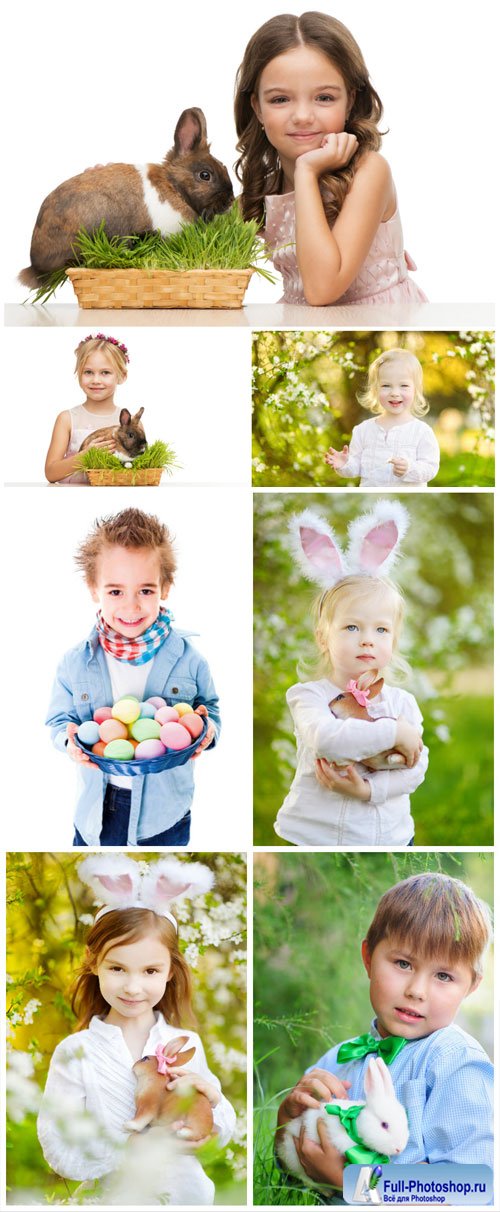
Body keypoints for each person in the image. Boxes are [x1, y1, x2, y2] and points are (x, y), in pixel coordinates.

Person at [275, 872, 493, 1195]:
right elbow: (290, 1180)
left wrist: (349, 1182)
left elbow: (472, 1186)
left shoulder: (455, 1062)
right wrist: (286, 1122)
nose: (417, 991)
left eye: (444, 976)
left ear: (471, 986)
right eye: (403, 964)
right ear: (368, 958)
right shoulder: (337, 1061)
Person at [37, 855, 236, 1205]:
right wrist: (127, 1148)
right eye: (117, 968)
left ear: (170, 971)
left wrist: (211, 1099)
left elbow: (218, 1134)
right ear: (95, 963)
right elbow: (58, 1142)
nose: (132, 987)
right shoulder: (76, 1050)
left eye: (150, 971)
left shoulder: (184, 1043)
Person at [45, 507, 219, 846]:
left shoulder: (188, 658)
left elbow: (209, 708)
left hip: (165, 812)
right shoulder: (76, 662)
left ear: (165, 587)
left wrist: (208, 729)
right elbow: (57, 719)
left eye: (145, 590)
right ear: (93, 588)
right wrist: (68, 741)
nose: (131, 606)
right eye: (115, 591)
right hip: (97, 809)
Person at [235, 12, 427, 307]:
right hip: (304, 326)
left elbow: (322, 289)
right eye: (280, 99)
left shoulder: (369, 172)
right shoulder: (265, 189)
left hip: (378, 322)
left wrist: (306, 172)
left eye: (324, 98)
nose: (302, 117)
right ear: (257, 108)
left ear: (350, 101)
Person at [274, 501, 427, 846]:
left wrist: (369, 790)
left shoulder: (402, 702)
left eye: (381, 630)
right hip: (314, 837)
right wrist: (395, 732)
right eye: (352, 627)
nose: (367, 640)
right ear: (323, 637)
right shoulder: (308, 696)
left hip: (388, 836)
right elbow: (329, 740)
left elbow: (415, 766)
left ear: (394, 639)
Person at [325, 349, 440, 487]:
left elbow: (430, 467)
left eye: (404, 386)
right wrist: (345, 464)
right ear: (375, 390)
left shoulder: (421, 431)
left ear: (415, 390)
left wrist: (409, 469)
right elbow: (356, 468)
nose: (395, 393)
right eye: (386, 386)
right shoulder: (362, 430)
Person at [45, 333, 129, 485]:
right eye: (88, 372)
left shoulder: (129, 422)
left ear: (122, 376)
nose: (96, 380)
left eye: (105, 373)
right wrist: (84, 456)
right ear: (79, 374)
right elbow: (51, 473)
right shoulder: (67, 419)